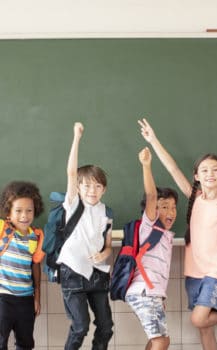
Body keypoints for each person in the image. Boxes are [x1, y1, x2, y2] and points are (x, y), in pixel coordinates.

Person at [139, 118, 217, 350]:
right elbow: (172, 167)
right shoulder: (194, 199)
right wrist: (153, 140)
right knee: (205, 331)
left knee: (198, 319)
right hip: (193, 273)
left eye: (215, 170)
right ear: (196, 176)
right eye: (204, 170)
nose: (209, 174)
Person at [56, 122, 114, 350]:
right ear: (78, 188)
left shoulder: (107, 212)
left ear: (104, 189)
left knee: (106, 326)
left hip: (97, 274)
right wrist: (76, 137)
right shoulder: (73, 204)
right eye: (87, 186)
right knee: (81, 326)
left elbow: (109, 246)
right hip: (72, 272)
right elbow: (71, 172)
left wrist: (104, 255)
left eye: (97, 186)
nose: (92, 190)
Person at [125, 146, 178, 350]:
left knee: (163, 339)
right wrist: (146, 166)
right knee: (160, 341)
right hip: (143, 292)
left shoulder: (166, 236)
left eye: (173, 207)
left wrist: (160, 296)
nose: (170, 211)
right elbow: (151, 195)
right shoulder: (149, 226)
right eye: (164, 207)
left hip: (152, 293)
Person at [0, 181, 45, 350]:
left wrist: (37, 297)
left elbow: (35, 265)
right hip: (3, 297)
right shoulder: (3, 229)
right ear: (8, 214)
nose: (24, 215)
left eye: (29, 210)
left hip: (25, 300)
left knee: (25, 343)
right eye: (18, 211)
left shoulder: (36, 237)